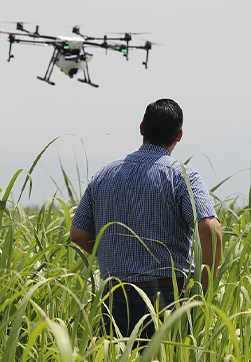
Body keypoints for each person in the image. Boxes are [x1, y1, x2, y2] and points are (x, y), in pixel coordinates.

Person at [70, 98, 222, 340]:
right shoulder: (183, 176)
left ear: (141, 128)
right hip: (168, 297)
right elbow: (211, 229)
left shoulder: (103, 175)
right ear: (179, 135)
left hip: (116, 294)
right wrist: (202, 287)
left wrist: (116, 252)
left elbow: (78, 234)